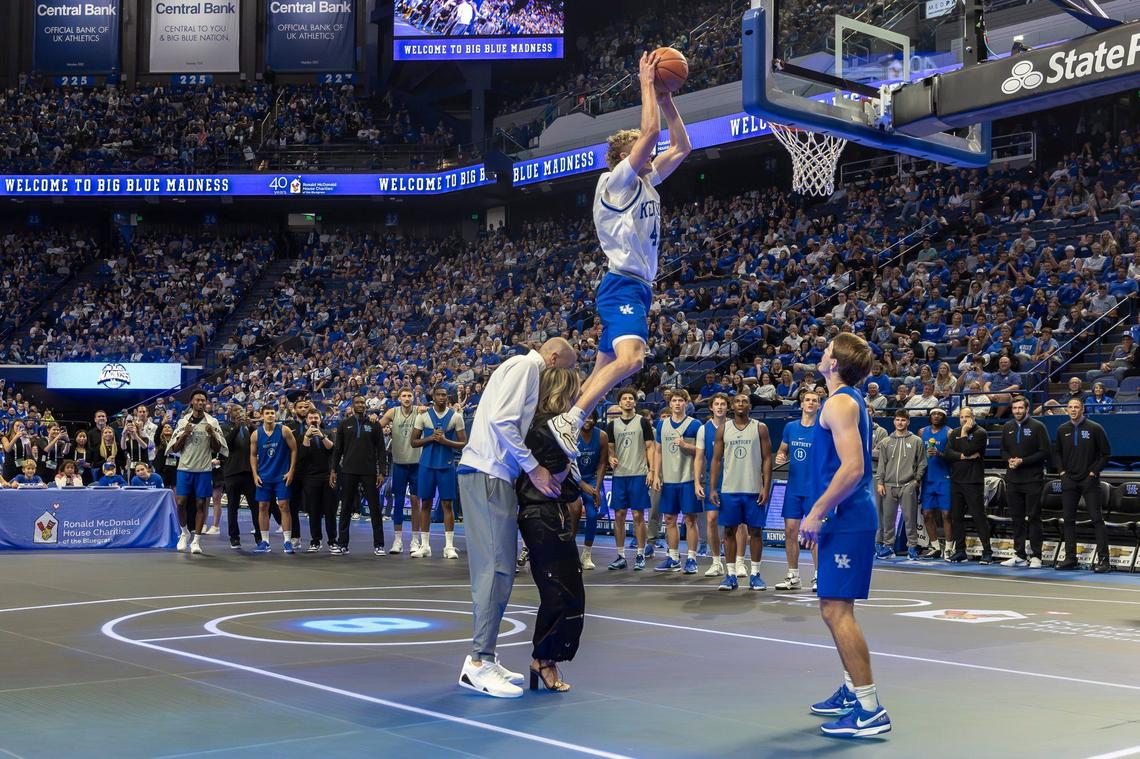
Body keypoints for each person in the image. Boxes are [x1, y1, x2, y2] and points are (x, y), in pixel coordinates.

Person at [546, 50, 691, 455]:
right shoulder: (615, 183)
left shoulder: (646, 181)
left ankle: (568, 423)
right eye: (642, 151)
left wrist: (667, 101)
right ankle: (570, 419)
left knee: (603, 368)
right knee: (634, 359)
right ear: (626, 158)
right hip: (621, 285)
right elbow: (650, 136)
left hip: (637, 288)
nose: (651, 152)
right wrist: (647, 83)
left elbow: (681, 147)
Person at [456, 337, 576, 699]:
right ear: (553, 359)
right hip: (488, 474)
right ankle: (478, 662)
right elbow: (501, 422)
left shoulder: (516, 367)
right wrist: (535, 468)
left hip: (493, 476)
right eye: (566, 371)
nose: (564, 380)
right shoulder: (526, 367)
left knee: (502, 568)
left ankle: (485, 656)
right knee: (495, 570)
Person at [799, 332, 891, 738]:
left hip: (847, 516)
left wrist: (817, 511)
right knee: (831, 608)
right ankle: (855, 690)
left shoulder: (839, 402)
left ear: (834, 363)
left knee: (838, 611)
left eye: (825, 351)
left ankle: (870, 709)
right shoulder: (847, 400)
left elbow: (853, 468)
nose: (821, 355)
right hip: (845, 515)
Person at [516, 366, 586, 693]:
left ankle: (545, 658)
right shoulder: (547, 429)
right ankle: (543, 659)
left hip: (548, 513)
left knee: (565, 590)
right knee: (560, 591)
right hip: (542, 515)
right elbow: (561, 479)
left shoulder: (545, 428)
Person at [709, 394, 773, 592]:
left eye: (745, 401)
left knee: (755, 531)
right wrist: (712, 487)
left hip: (753, 489)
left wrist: (766, 487)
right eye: (737, 401)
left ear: (750, 406)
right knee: (728, 531)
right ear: (732, 406)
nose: (741, 404)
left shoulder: (760, 428)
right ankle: (730, 576)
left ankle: (755, 575)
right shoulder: (723, 429)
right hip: (730, 489)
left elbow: (767, 459)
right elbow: (716, 460)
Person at [1052, 397, 1112, 573]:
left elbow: (1106, 454)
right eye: (1070, 407)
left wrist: (1093, 472)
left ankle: (1104, 561)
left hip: (1089, 480)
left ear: (1082, 409)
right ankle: (1071, 558)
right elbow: (1057, 453)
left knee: (1097, 519)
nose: (1073, 410)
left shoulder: (1095, 428)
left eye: (1076, 407)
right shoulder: (1062, 429)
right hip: (1069, 480)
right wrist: (1062, 472)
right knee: (1068, 520)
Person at [411, 386, 467, 559]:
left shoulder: (456, 417)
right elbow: (413, 442)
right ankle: (425, 545)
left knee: (447, 505)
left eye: (444, 395)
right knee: (425, 504)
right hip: (426, 465)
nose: (442, 397)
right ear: (433, 397)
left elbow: (464, 442)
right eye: (439, 395)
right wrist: (430, 438)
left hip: (446, 465)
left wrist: (444, 441)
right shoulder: (423, 416)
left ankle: (449, 546)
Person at [171, 390, 228, 555]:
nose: (201, 403)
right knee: (181, 503)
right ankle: (184, 533)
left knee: (201, 504)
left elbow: (218, 449)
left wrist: (212, 435)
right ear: (192, 402)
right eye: (198, 400)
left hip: (203, 469)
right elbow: (175, 448)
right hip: (184, 468)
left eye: (203, 400)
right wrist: (185, 433)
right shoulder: (183, 422)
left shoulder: (212, 422)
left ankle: (196, 540)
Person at [773, 389, 820, 591]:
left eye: (814, 400)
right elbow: (783, 450)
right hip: (793, 489)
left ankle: (820, 577)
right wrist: (780, 456)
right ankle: (793, 576)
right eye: (807, 400)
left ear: (819, 405)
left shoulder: (824, 429)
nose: (810, 403)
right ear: (801, 404)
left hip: (815, 490)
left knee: (815, 534)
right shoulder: (790, 428)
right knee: (790, 531)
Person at [606, 388, 657, 571]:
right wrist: (610, 457)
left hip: (638, 473)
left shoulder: (642, 422)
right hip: (620, 476)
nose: (628, 401)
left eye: (630, 399)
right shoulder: (612, 425)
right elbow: (611, 448)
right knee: (619, 516)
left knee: (637, 515)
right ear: (619, 403)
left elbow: (650, 447)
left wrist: (651, 471)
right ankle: (620, 555)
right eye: (624, 398)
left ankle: (640, 554)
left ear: (635, 403)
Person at [331, 396, 389, 556]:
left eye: (363, 403)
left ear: (366, 405)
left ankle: (379, 544)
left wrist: (382, 472)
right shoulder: (344, 424)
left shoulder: (374, 424)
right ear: (352, 405)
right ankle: (342, 543)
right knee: (346, 508)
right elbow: (338, 450)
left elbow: (381, 451)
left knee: (375, 509)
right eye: (357, 403)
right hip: (348, 471)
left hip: (369, 472)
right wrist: (333, 470)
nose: (360, 405)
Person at [653, 389, 703, 574]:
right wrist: (656, 474)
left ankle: (691, 558)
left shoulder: (695, 424)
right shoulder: (662, 424)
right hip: (669, 479)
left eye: (681, 400)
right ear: (670, 404)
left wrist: (685, 445)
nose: (677, 404)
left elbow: (701, 451)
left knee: (690, 520)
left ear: (686, 403)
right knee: (669, 519)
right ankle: (673, 558)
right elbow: (657, 451)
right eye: (674, 400)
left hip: (688, 478)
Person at [999, 395, 1050, 568]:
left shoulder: (1038, 426)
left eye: (1020, 408)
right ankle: (1019, 555)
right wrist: (1010, 460)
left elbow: (1044, 452)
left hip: (1033, 479)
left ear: (1027, 409)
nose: (1017, 411)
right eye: (1014, 408)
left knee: (1034, 517)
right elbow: (1003, 451)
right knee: (1017, 518)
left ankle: (1036, 555)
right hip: (1013, 480)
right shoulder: (1007, 427)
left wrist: (1023, 461)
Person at [874, 409, 926, 561]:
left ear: (908, 422)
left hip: (908, 484)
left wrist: (916, 480)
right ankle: (888, 547)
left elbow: (922, 463)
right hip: (888, 485)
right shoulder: (885, 442)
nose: (900, 423)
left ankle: (912, 547)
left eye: (903, 420)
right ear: (894, 421)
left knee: (910, 518)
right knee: (887, 519)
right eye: (897, 420)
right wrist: (880, 482)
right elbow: (882, 464)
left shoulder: (916, 441)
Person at [942, 406, 992, 564]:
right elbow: (948, 454)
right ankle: (960, 551)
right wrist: (964, 456)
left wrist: (964, 434)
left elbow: (969, 448)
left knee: (979, 517)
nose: (964, 420)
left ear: (973, 418)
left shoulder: (980, 433)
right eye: (961, 417)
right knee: (956, 517)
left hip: (973, 481)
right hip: (956, 480)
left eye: (967, 417)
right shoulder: (954, 432)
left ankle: (987, 552)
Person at [694, 393, 736, 578]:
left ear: (728, 407)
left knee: (737, 524)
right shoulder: (704, 429)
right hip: (714, 482)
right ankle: (716, 562)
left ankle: (738, 563)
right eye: (716, 404)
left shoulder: (736, 426)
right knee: (711, 519)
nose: (720, 407)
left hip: (735, 481)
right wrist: (697, 482)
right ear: (711, 407)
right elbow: (699, 457)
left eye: (723, 404)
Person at [250, 405, 298, 554]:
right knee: (262, 507)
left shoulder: (284, 430)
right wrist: (255, 474)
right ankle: (265, 542)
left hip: (281, 476)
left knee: (284, 505)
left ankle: (287, 541)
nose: (270, 415)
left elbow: (294, 449)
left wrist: (291, 471)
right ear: (262, 416)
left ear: (275, 415)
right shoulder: (256, 434)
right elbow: (252, 455)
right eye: (267, 413)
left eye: (272, 413)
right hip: (264, 476)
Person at [378, 388, 421, 554]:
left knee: (416, 501)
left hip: (417, 463)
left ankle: (415, 541)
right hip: (399, 463)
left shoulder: (420, 410)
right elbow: (376, 428)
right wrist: (375, 421)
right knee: (399, 502)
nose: (407, 398)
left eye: (410, 395)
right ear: (399, 398)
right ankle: (397, 540)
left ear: (414, 397)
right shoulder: (392, 412)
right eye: (404, 395)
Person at [221, 405, 268, 550]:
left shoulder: (249, 428)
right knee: (232, 507)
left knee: (255, 507)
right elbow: (226, 444)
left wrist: (251, 425)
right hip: (232, 472)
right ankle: (234, 537)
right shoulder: (225, 427)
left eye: (241, 411)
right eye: (236, 412)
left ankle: (260, 537)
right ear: (230, 414)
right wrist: (237, 427)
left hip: (249, 472)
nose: (239, 414)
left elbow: (260, 438)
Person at [298, 409, 338, 552]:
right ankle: (315, 540)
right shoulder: (303, 435)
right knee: (313, 511)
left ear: (320, 419)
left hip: (328, 477)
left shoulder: (329, 433)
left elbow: (332, 449)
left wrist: (321, 436)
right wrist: (307, 437)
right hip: (310, 477)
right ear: (307, 420)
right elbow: (302, 455)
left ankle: (333, 541)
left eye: (316, 417)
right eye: (311, 418)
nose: (313, 420)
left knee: (330, 511)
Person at [918, 408, 953, 559]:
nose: (936, 416)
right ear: (930, 416)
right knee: (927, 514)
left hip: (944, 478)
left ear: (944, 417)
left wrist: (940, 454)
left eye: (939, 414)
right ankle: (936, 547)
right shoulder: (921, 432)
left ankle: (949, 548)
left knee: (946, 514)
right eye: (933, 414)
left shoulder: (949, 432)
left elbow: (953, 455)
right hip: (927, 478)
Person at [575, 416, 609, 570]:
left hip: (592, 479)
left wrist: (598, 488)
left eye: (591, 418)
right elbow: (567, 463)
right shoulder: (571, 433)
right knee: (573, 513)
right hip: (573, 478)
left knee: (593, 513)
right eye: (585, 417)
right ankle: (570, 553)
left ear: (595, 419)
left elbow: (602, 463)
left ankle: (586, 554)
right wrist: (582, 484)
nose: (588, 420)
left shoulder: (602, 436)